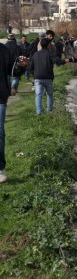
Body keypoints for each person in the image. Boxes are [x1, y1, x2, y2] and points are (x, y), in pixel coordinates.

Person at [28, 38, 76, 115]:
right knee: (49, 94)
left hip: (38, 78)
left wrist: (34, 75)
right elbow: (58, 62)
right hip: (48, 77)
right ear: (48, 45)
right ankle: (49, 110)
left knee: (38, 95)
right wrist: (70, 60)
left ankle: (39, 113)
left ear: (40, 45)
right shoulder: (50, 54)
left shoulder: (35, 54)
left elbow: (30, 67)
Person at [0, 41, 13, 183]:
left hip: (0, 96)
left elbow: (12, 70)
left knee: (0, 131)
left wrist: (20, 66)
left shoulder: (4, 50)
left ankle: (0, 168)